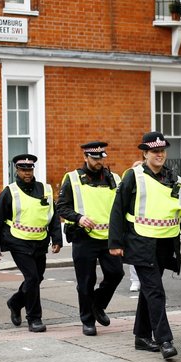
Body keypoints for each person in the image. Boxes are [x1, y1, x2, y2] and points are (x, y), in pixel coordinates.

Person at [108, 132, 181, 360]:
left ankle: (141, 336)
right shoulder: (134, 177)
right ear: (145, 153)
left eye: (162, 150)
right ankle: (164, 340)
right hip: (140, 242)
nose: (159, 154)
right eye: (154, 151)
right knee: (156, 291)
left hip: (164, 243)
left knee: (149, 292)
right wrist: (115, 242)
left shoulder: (175, 179)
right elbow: (118, 209)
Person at [0, 154, 62, 332]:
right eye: (23, 170)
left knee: (38, 277)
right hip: (17, 241)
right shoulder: (10, 191)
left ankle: (15, 302)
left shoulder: (44, 189)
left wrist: (56, 239)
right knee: (32, 278)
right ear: (17, 170)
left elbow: (52, 216)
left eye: (29, 169)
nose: (27, 173)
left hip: (39, 241)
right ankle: (34, 318)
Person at [56, 141, 124, 336]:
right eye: (94, 158)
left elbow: (122, 206)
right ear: (85, 157)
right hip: (84, 238)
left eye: (101, 157)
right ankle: (87, 320)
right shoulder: (73, 178)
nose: (98, 161)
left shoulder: (115, 178)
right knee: (86, 282)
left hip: (108, 238)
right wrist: (79, 218)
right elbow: (61, 207)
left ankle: (97, 305)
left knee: (116, 273)